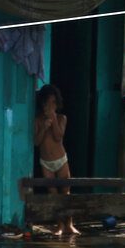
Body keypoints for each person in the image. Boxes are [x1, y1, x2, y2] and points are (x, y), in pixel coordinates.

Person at [34, 84, 80, 236]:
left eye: (53, 103)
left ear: (57, 104)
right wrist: (44, 127)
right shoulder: (38, 120)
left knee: (65, 193)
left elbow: (58, 136)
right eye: (47, 103)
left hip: (61, 160)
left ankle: (70, 224)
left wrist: (53, 121)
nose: (50, 106)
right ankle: (59, 225)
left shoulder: (61, 118)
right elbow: (37, 142)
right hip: (46, 162)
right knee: (53, 194)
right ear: (43, 104)